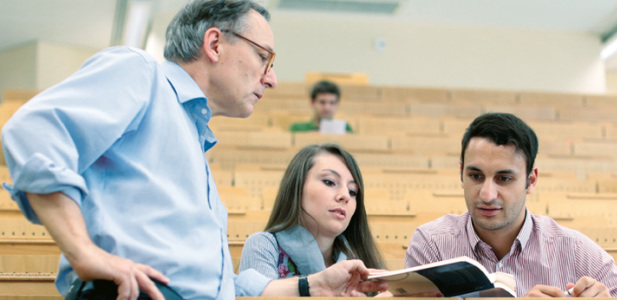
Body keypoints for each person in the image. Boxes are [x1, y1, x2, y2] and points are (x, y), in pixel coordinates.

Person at [1, 0, 385, 299]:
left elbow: (217, 288)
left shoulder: (194, 145)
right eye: (263, 57)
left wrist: (312, 286)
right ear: (215, 43)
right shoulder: (141, 73)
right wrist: (84, 253)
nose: (272, 78)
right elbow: (33, 133)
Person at [405, 112, 617, 297]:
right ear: (461, 173)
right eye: (476, 176)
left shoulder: (575, 250)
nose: (487, 195)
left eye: (504, 179)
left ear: (531, 180)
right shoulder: (432, 245)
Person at [239, 144, 384, 279]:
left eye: (352, 191)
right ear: (297, 187)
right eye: (329, 182)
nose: (345, 195)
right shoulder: (263, 246)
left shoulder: (362, 259)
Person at [289, 80, 354, 133]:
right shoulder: (298, 129)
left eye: (332, 103)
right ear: (312, 102)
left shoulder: (345, 128)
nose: (327, 107)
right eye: (322, 102)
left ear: (337, 104)